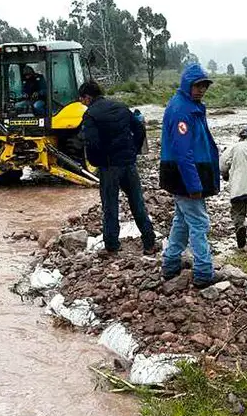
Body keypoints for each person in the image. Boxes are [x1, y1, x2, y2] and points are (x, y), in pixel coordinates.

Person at [160, 63, 221, 288]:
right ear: (187, 84)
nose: (201, 90)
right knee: (199, 222)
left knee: (182, 221)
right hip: (185, 174)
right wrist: (194, 185)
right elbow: (183, 152)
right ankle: (204, 271)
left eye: (204, 86)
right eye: (197, 86)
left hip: (188, 173)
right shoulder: (181, 110)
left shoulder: (191, 106)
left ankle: (171, 264)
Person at [80, 81, 156, 256]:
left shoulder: (91, 115)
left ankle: (112, 246)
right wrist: (134, 151)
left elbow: (91, 142)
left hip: (109, 166)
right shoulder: (121, 106)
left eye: (82, 98)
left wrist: (98, 162)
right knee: (137, 202)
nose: (82, 102)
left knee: (110, 206)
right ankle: (149, 243)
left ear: (88, 97)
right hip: (128, 163)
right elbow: (139, 129)